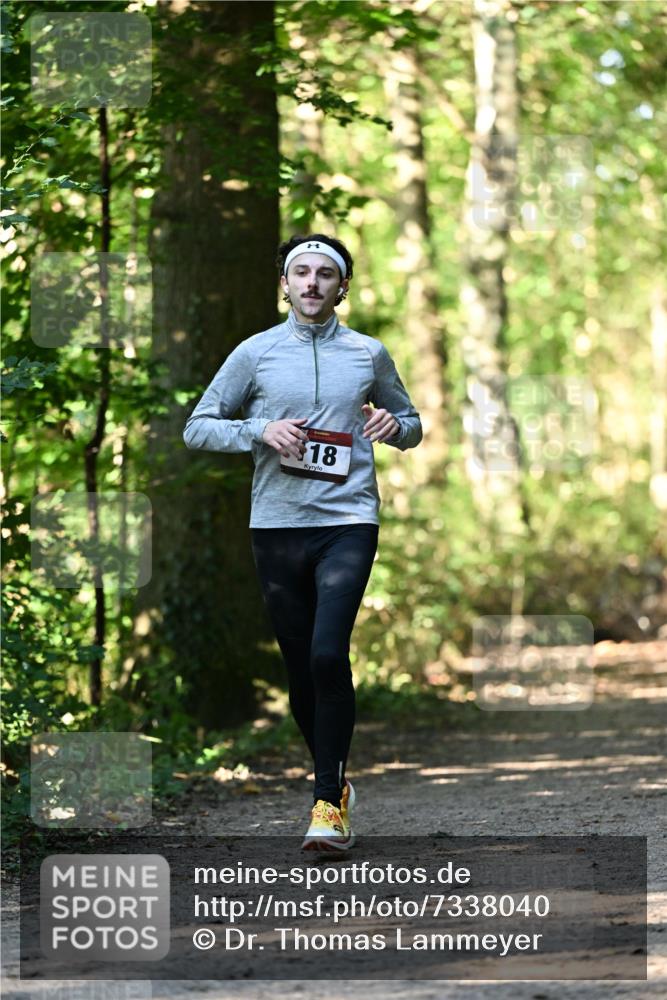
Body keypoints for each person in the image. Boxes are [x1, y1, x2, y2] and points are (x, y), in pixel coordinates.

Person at [183, 234, 422, 851]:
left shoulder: (368, 353)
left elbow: (412, 424)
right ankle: (335, 779)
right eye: (300, 273)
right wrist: (261, 429)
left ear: (343, 287)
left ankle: (325, 805)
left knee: (325, 653)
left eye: (324, 275)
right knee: (298, 669)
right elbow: (198, 427)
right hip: (276, 526)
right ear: (284, 284)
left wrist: (395, 427)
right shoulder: (255, 353)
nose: (312, 283)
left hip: (348, 520)